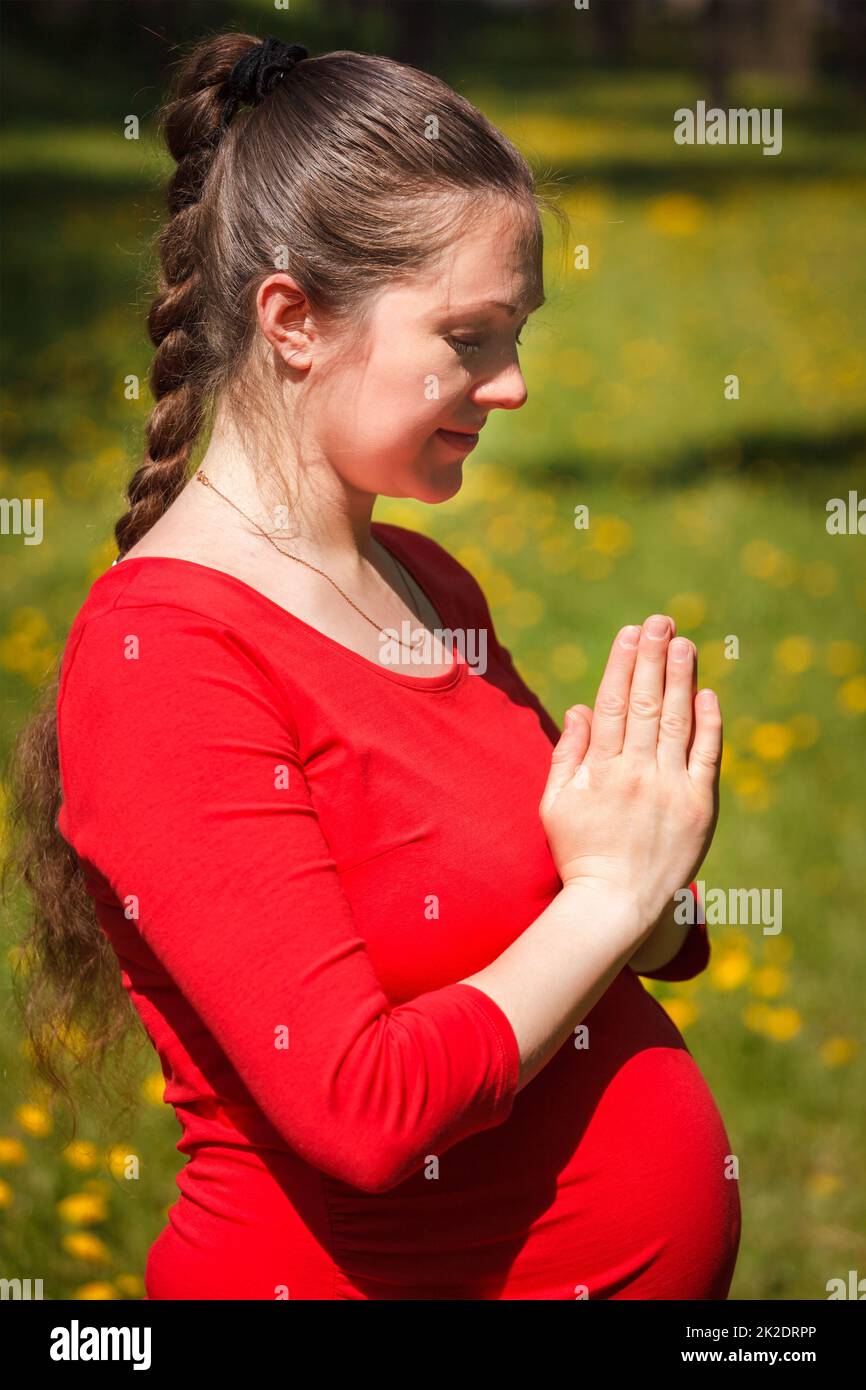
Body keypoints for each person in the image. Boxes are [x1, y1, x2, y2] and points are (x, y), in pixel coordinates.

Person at [8, 34, 740, 1299]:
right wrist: (612, 901)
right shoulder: (163, 659)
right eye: (468, 336)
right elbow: (363, 1104)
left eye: (518, 335)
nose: (509, 385)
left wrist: (646, 860)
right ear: (290, 321)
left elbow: (582, 919)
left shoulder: (425, 583)